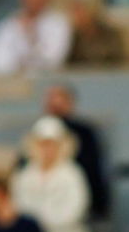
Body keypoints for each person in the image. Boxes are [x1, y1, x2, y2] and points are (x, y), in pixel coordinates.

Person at [11, 117, 97, 232]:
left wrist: (42, 222)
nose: (47, 149)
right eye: (43, 144)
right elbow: (19, 207)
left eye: (52, 144)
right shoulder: (25, 176)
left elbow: (74, 210)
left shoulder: (72, 174)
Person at [42, 84, 111, 220]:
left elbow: (93, 170)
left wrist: (100, 206)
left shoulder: (84, 133)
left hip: (78, 199)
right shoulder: (36, 132)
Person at [0, 0, 72, 75]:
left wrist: (31, 36)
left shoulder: (58, 24)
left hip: (44, 83)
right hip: (10, 84)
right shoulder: (7, 25)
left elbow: (54, 60)